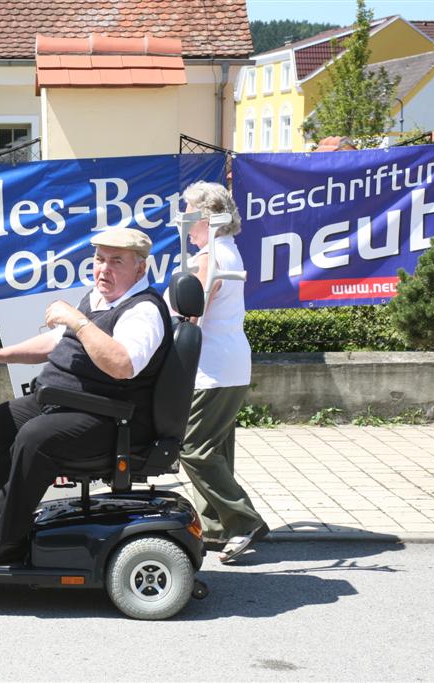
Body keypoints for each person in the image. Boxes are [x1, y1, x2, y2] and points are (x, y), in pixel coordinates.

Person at [0, 227, 172, 567]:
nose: (103, 269)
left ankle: (7, 540)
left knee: (34, 437)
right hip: (70, 403)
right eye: (99, 259)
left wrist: (80, 321)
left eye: (116, 261)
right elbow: (57, 341)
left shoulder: (142, 311)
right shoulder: (99, 299)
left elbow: (123, 365)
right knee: (4, 417)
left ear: (140, 269)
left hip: (112, 418)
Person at [178, 181, 268, 563]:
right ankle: (215, 527)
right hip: (231, 365)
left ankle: (243, 520)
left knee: (193, 448)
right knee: (215, 450)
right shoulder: (228, 252)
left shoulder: (209, 257)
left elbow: (191, 312)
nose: (184, 219)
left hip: (212, 368)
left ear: (208, 217)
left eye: (189, 212)